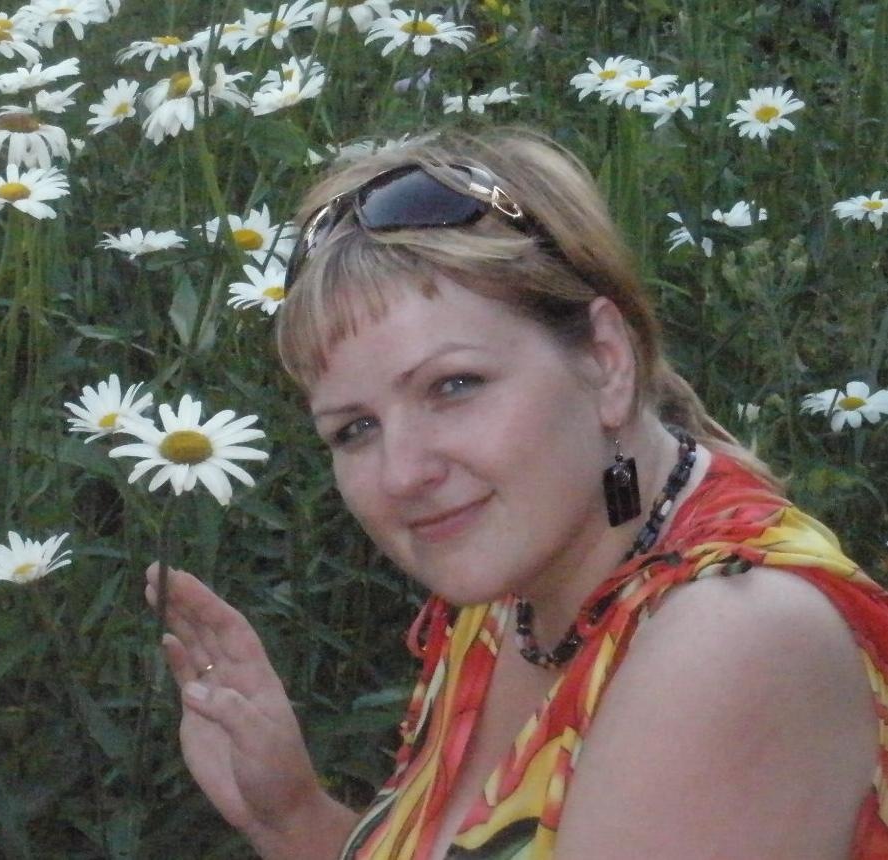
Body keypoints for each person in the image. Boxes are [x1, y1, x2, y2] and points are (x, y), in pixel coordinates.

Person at [145, 129, 888, 859]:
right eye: (354, 429)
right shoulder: (511, 597)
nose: (403, 474)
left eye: (453, 386)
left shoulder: (731, 640)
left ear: (605, 361)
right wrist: (293, 819)